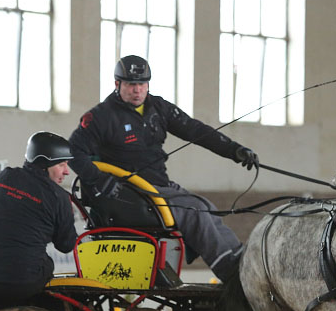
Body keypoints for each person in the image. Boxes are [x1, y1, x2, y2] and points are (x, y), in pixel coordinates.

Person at [68, 54, 260, 282]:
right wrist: (102, 181)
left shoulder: (158, 107)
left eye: (142, 84)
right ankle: (232, 277)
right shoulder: (100, 117)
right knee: (194, 212)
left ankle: (240, 264)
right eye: (131, 84)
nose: (137, 90)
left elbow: (197, 131)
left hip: (157, 188)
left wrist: (235, 151)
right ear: (117, 84)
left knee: (206, 207)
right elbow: (73, 153)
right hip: (128, 194)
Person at [0, 132, 78, 302]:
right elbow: (66, 245)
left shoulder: (2, 178)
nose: (67, 171)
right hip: (20, 283)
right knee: (46, 264)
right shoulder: (59, 197)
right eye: (62, 164)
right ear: (44, 163)